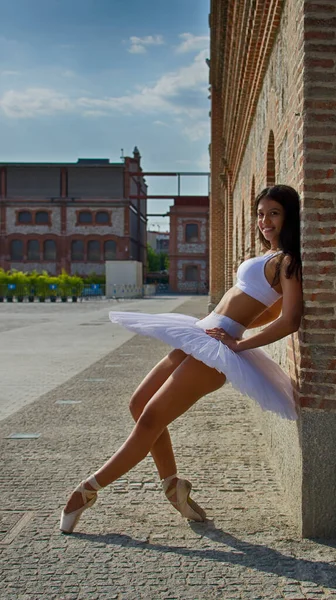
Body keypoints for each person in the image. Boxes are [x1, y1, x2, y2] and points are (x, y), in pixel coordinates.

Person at [60, 184, 303, 534]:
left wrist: (239, 343)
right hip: (200, 334)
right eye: (261, 213)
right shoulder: (269, 255)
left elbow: (290, 318)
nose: (265, 221)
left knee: (149, 420)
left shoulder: (289, 262)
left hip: (214, 352)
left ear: (289, 216)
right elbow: (266, 310)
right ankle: (174, 486)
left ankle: (87, 491)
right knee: (138, 403)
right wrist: (238, 328)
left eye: (274, 213)